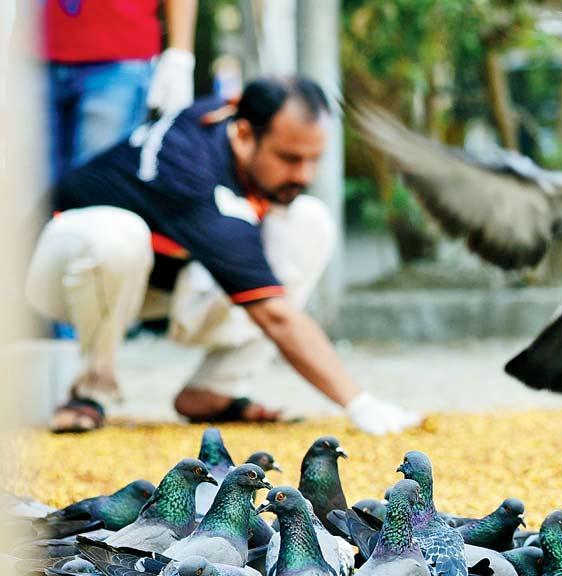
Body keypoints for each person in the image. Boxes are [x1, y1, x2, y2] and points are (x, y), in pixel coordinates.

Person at [26, 76, 420, 435]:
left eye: (313, 159)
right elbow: (275, 315)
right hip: (60, 271)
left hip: (158, 283)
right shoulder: (189, 169)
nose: (304, 175)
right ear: (245, 135)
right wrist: (360, 403)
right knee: (115, 237)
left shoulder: (233, 114)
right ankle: (91, 390)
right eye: (289, 158)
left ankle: (215, 389)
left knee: (309, 220)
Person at [44, 0, 198, 183]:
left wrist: (180, 55)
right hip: (32, 47)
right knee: (26, 195)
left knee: (96, 189)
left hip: (120, 55)